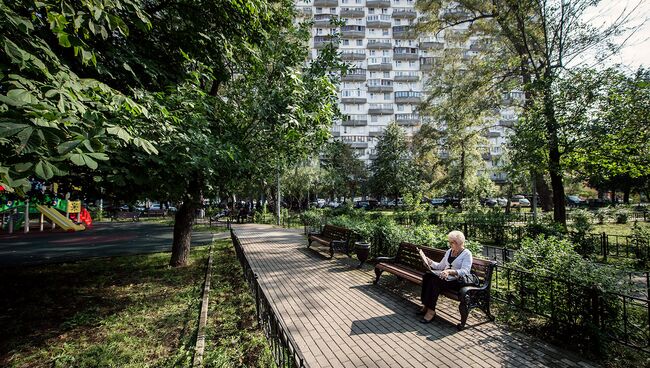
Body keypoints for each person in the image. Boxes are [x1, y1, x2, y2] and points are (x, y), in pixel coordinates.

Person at [418, 230, 473, 323]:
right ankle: (426, 305)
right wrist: (429, 262)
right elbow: (440, 266)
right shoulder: (449, 252)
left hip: (456, 281)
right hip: (445, 278)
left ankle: (431, 311)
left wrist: (450, 271)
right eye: (450, 242)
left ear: (459, 243)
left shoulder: (467, 254)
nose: (451, 244)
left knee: (435, 281)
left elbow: (465, 271)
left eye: (453, 242)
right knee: (427, 276)